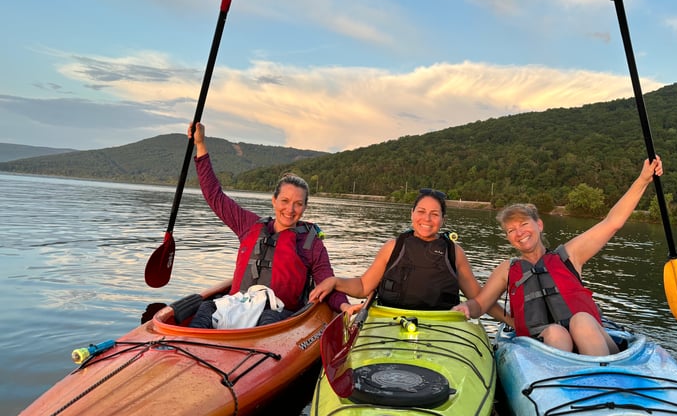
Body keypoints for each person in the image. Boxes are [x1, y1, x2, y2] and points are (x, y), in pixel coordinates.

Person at [453, 156, 663, 355]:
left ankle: (603, 375)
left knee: (581, 320)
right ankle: (567, 376)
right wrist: (466, 307)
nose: (519, 233)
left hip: (593, 340)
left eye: (524, 224)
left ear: (539, 225)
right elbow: (480, 304)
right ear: (508, 237)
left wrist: (643, 179)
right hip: (547, 348)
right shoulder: (507, 270)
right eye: (511, 230)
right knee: (555, 332)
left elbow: (612, 222)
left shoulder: (569, 255)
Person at [186, 122, 348, 328]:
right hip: (238, 305)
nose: (290, 209)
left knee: (268, 317)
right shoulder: (249, 225)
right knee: (206, 308)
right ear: (274, 201)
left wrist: (344, 306)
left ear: (305, 207)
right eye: (285, 201)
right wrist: (200, 144)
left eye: (298, 204)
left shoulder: (311, 243)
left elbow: (327, 282)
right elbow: (214, 196)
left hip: (277, 316)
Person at [309, 188, 508, 321]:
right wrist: (334, 281)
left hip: (442, 326)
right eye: (421, 211)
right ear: (412, 213)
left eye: (434, 214)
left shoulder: (454, 252)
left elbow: (481, 300)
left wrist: (511, 321)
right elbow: (363, 286)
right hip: (391, 321)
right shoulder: (393, 247)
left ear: (443, 219)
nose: (427, 219)